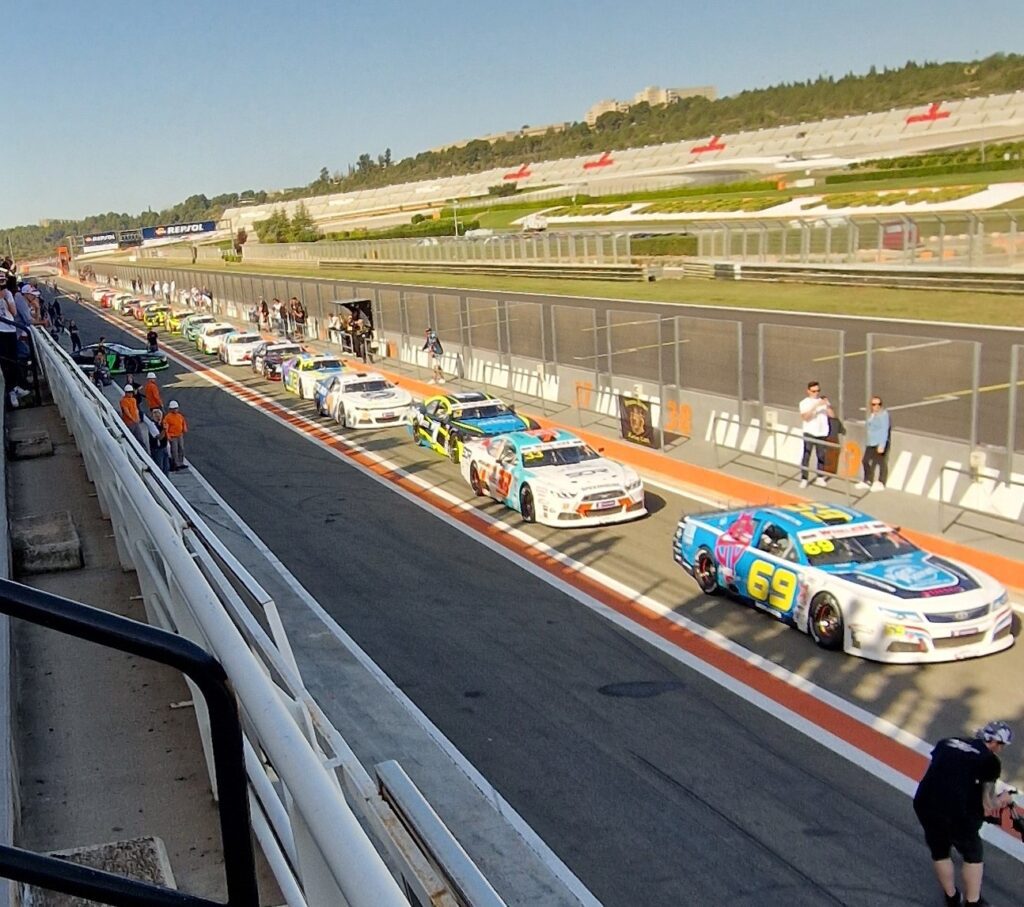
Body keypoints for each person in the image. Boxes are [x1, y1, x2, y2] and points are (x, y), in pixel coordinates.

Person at [913, 721, 1014, 907]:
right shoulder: (989, 761)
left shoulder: (947, 742)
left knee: (940, 852)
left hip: (925, 804)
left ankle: (951, 897)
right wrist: (1004, 799)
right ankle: (973, 902)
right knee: (973, 855)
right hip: (957, 814)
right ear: (996, 743)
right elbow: (988, 804)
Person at [798, 380, 832, 488]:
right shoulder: (804, 402)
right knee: (807, 455)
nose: (816, 393)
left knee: (821, 455)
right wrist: (815, 407)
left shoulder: (822, 401)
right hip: (810, 432)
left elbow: (832, 415)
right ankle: (804, 478)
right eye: (813, 391)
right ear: (808, 391)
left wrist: (827, 405)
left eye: (818, 391)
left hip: (822, 432)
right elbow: (805, 418)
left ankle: (820, 477)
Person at [856, 397, 891, 492]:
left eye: (878, 404)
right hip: (871, 442)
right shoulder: (872, 415)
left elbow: (884, 430)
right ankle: (867, 480)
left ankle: (881, 482)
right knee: (865, 460)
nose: (876, 406)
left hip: (879, 442)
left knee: (881, 462)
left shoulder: (884, 415)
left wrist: (882, 445)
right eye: (874, 404)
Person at [165, 400, 188, 471]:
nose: (175, 410)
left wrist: (184, 429)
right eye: (174, 408)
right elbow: (166, 427)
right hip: (173, 436)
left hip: (179, 435)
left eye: (176, 408)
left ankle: (181, 462)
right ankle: (176, 463)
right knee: (174, 450)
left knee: (181, 448)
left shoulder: (180, 416)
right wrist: (168, 435)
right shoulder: (168, 417)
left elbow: (183, 422)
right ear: (170, 409)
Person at [146, 407, 170, 474]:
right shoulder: (152, 425)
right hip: (157, 449)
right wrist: (164, 430)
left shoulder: (162, 423)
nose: (158, 417)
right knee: (160, 467)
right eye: (156, 415)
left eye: (159, 415)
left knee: (166, 467)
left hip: (164, 447)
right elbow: (159, 437)